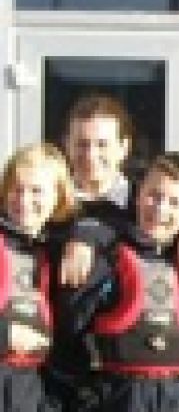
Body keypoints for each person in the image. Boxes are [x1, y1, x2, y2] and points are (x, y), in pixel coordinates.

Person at [50, 94, 179, 407]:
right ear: (66, 145)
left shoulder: (147, 203)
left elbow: (178, 210)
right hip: (52, 372)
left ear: (123, 147)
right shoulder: (44, 204)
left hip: (126, 384)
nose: (91, 155)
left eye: (102, 144)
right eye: (81, 144)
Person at [0, 142, 76, 412]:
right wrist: (6, 335)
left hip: (28, 389)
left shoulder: (50, 253)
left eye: (36, 191)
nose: (24, 200)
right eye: (16, 189)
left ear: (58, 197)